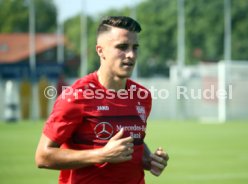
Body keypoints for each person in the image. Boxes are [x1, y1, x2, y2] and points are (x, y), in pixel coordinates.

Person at [35, 16, 169, 184]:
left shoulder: (142, 96)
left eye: (135, 48)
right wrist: (101, 155)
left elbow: (134, 139)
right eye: (122, 47)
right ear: (100, 50)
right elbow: (43, 156)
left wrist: (148, 159)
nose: (131, 55)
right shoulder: (77, 96)